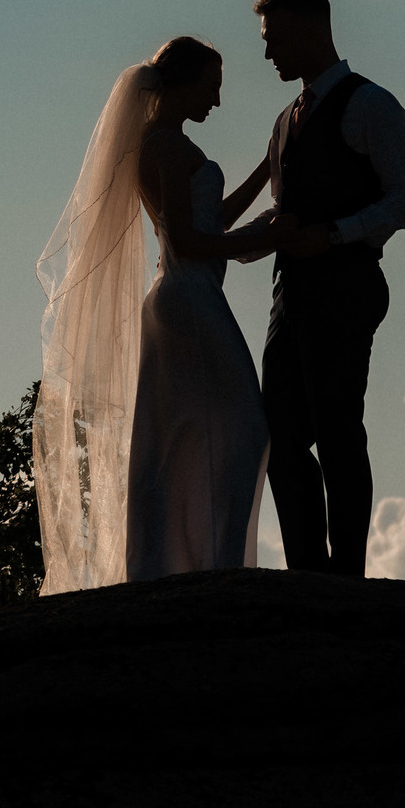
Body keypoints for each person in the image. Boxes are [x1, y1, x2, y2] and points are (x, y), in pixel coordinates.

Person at [33, 38, 274, 592]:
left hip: (189, 296)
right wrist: (264, 234)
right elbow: (190, 240)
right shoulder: (163, 145)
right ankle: (208, 564)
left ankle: (186, 560)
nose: (217, 98)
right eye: (212, 84)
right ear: (183, 83)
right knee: (243, 427)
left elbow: (205, 220)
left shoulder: (170, 143)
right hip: (189, 298)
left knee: (185, 431)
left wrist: (265, 172)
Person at [250, 0, 405, 577]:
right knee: (280, 431)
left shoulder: (371, 104)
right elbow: (283, 209)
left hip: (347, 285)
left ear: (309, 30)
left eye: (273, 39)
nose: (268, 53)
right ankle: (307, 567)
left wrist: (335, 234)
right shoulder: (282, 121)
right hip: (288, 292)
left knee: (337, 427)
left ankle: (347, 574)